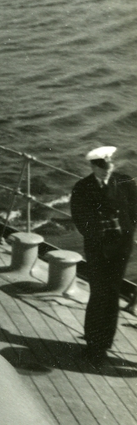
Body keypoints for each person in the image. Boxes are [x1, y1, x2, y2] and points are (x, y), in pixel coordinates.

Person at [69, 146, 137, 363]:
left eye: (109, 166)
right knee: (99, 293)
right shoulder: (82, 188)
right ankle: (94, 344)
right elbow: (81, 221)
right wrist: (101, 233)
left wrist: (127, 231)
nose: (107, 170)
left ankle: (104, 343)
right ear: (93, 166)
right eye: (102, 167)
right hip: (98, 250)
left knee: (112, 292)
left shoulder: (125, 183)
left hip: (120, 249)